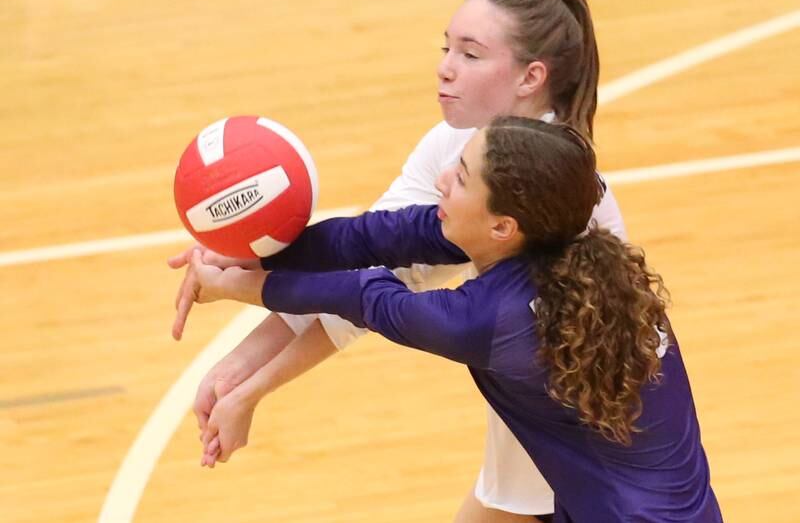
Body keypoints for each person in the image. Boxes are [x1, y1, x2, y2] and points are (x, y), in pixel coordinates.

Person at [170, 0, 626, 522]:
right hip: (531, 408)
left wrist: (249, 358)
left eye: (471, 54)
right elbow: (370, 253)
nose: (445, 66)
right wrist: (241, 361)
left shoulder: (536, 186)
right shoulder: (460, 146)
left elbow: (371, 292)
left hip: (580, 422)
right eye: (447, 47)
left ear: (531, 77)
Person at [173, 118, 722, 522]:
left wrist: (237, 287)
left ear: (503, 225)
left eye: (460, 176)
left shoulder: (494, 321)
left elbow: (365, 295)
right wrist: (251, 254)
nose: (440, 179)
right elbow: (368, 238)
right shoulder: (563, 241)